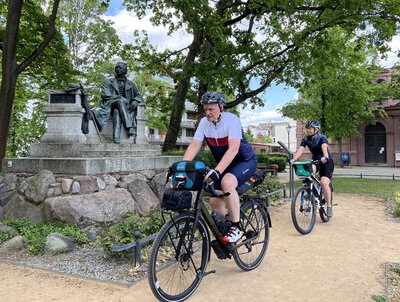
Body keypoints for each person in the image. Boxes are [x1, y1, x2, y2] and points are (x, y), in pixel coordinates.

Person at [182, 91, 258, 244]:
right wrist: (182, 166)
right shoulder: (204, 123)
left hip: (245, 161)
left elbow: (233, 149)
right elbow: (195, 145)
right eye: (205, 109)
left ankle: (237, 227)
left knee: (227, 183)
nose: (208, 113)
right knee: (215, 201)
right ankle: (226, 228)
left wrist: (217, 171)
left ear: (221, 106)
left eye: (211, 109)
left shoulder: (232, 120)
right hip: (225, 164)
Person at [290, 120, 334, 217]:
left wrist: (325, 156)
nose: (308, 130)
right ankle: (310, 191)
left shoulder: (322, 137)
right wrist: (294, 159)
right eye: (307, 128)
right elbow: (300, 149)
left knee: (323, 183)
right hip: (316, 161)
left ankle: (329, 206)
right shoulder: (306, 139)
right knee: (308, 173)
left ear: (316, 129)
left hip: (326, 162)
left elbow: (324, 147)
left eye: (310, 128)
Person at [92, 61, 143, 144]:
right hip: (110, 105)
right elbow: (105, 94)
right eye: (117, 67)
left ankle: (116, 138)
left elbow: (139, 95)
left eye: (120, 67)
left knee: (117, 111)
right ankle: (129, 127)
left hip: (126, 107)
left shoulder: (132, 84)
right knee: (119, 101)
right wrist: (119, 97)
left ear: (125, 70)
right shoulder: (108, 82)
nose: (118, 69)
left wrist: (135, 100)